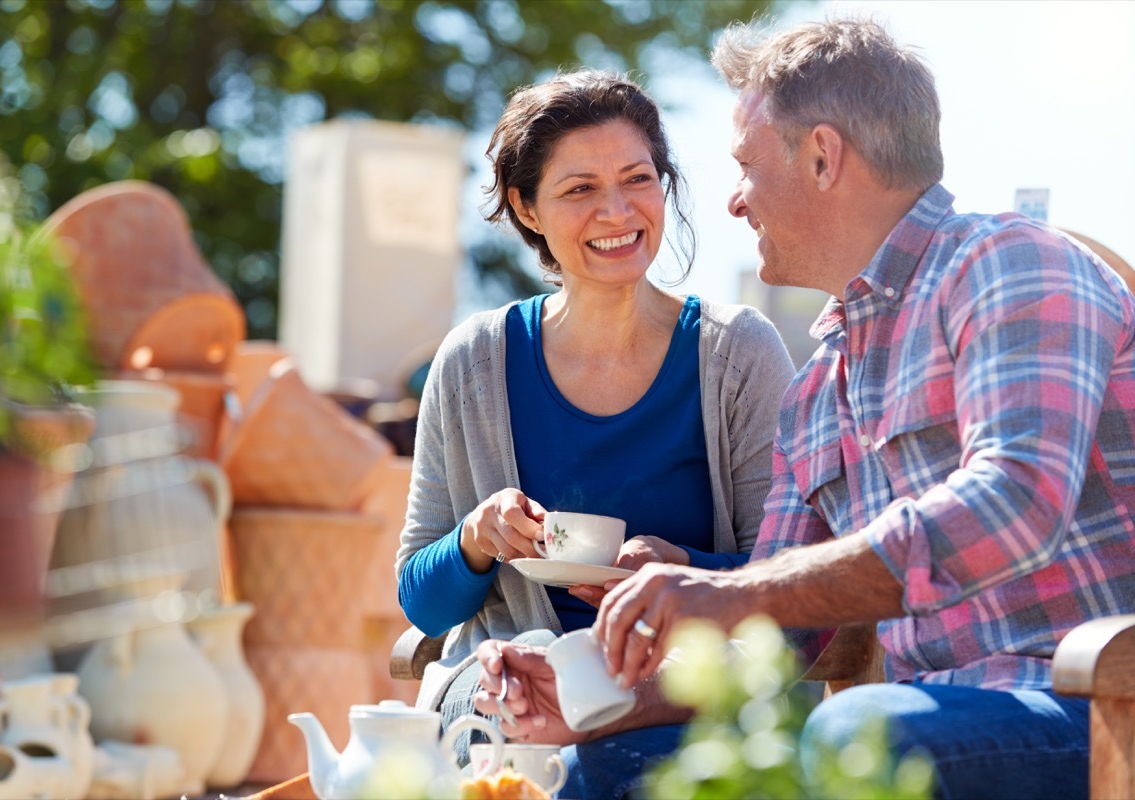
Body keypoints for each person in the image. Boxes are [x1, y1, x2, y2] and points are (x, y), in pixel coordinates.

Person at [472, 16, 1135, 800]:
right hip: (920, 728)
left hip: (1095, 712)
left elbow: (1016, 502)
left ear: (822, 156)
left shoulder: (1008, 262)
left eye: (746, 166)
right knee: (600, 771)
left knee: (858, 731)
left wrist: (736, 590)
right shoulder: (820, 386)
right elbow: (776, 640)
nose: (733, 202)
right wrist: (599, 707)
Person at [394, 68, 795, 761]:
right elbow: (422, 606)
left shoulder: (738, 355)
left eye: (638, 179)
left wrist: (684, 569)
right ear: (526, 208)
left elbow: (790, 576)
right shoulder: (472, 363)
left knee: (618, 761)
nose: (617, 212)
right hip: (506, 673)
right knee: (515, 729)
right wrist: (476, 540)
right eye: (580, 189)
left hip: (679, 684)